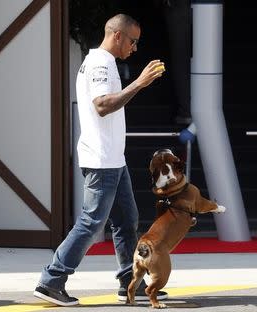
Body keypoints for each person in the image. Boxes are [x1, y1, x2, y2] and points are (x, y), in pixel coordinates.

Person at [33, 13, 167, 307]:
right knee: (91, 222)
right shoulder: (100, 64)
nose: (134, 48)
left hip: (111, 160)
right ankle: (51, 280)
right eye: (133, 41)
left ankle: (130, 282)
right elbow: (103, 105)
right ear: (117, 35)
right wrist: (140, 83)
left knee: (126, 220)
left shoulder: (102, 62)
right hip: (101, 160)